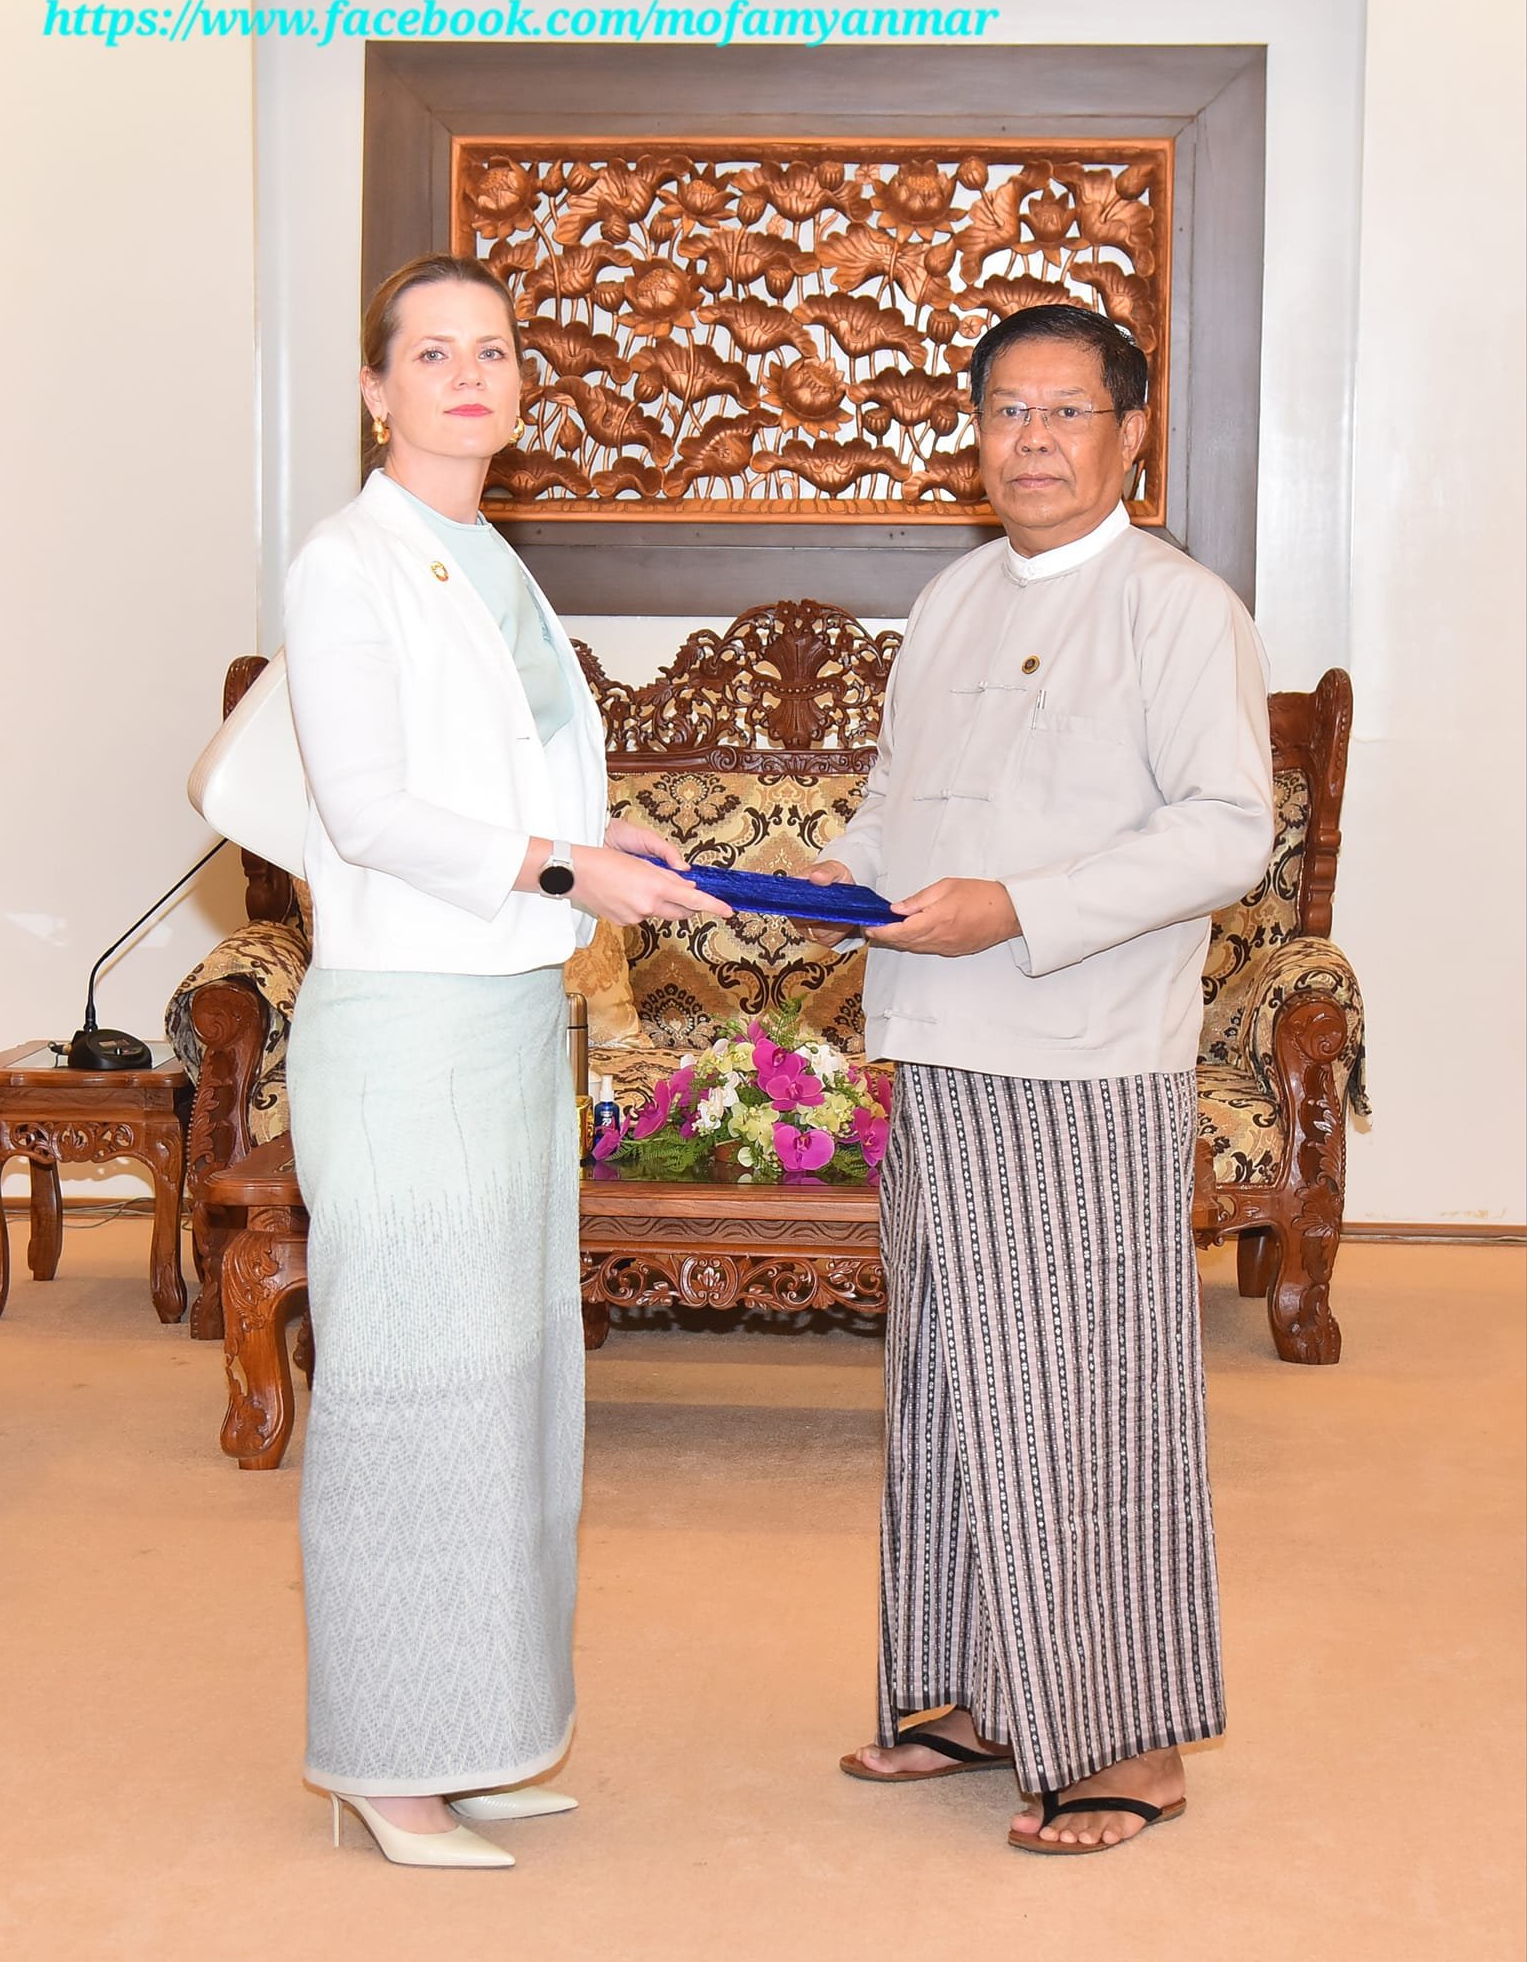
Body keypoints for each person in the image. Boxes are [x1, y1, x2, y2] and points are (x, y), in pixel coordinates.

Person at [808, 304, 1275, 1854]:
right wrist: (828, 876)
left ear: (1130, 435)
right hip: (932, 1040)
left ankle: (1130, 1739)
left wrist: (1018, 905)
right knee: (946, 1379)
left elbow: (1225, 829)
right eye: (1007, 410)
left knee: (1087, 1393)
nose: (1031, 440)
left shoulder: (1177, 607)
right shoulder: (949, 599)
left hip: (1078, 1051)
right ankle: (979, 1690)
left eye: (1066, 412)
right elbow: (898, 810)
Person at [283, 252, 729, 1869]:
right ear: (376, 387)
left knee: (511, 1388)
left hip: (503, 1013)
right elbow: (372, 811)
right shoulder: (350, 562)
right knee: (410, 1392)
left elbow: (492, 773)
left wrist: (596, 833)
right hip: (404, 1028)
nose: (469, 375)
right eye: (433, 352)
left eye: (496, 352)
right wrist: (564, 866)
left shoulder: (483, 555)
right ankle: (385, 1763)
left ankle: (471, 1733)